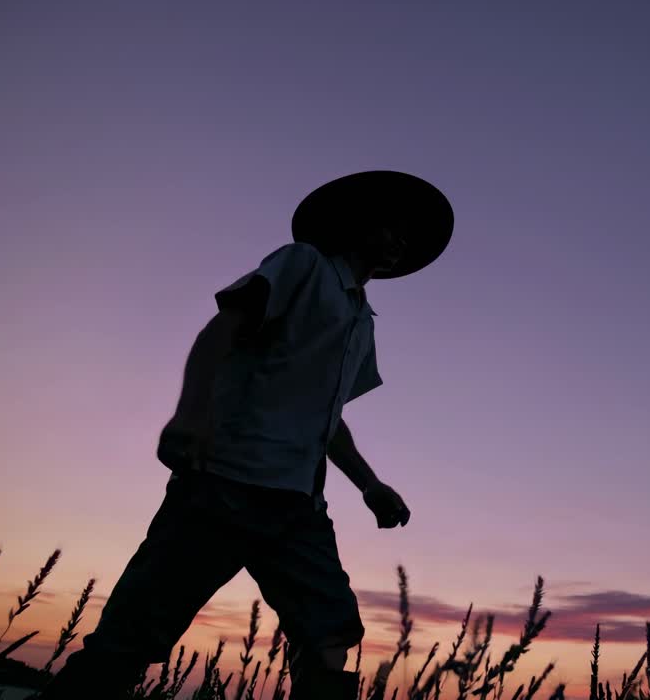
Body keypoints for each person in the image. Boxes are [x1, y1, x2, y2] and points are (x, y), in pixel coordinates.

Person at [40, 170, 454, 699]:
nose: (401, 242)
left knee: (330, 632)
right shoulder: (303, 265)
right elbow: (223, 328)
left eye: (407, 237)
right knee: (136, 631)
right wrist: (188, 417)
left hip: (299, 506)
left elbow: (327, 421)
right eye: (392, 228)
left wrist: (369, 485)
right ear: (357, 224)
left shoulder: (363, 320)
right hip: (225, 482)